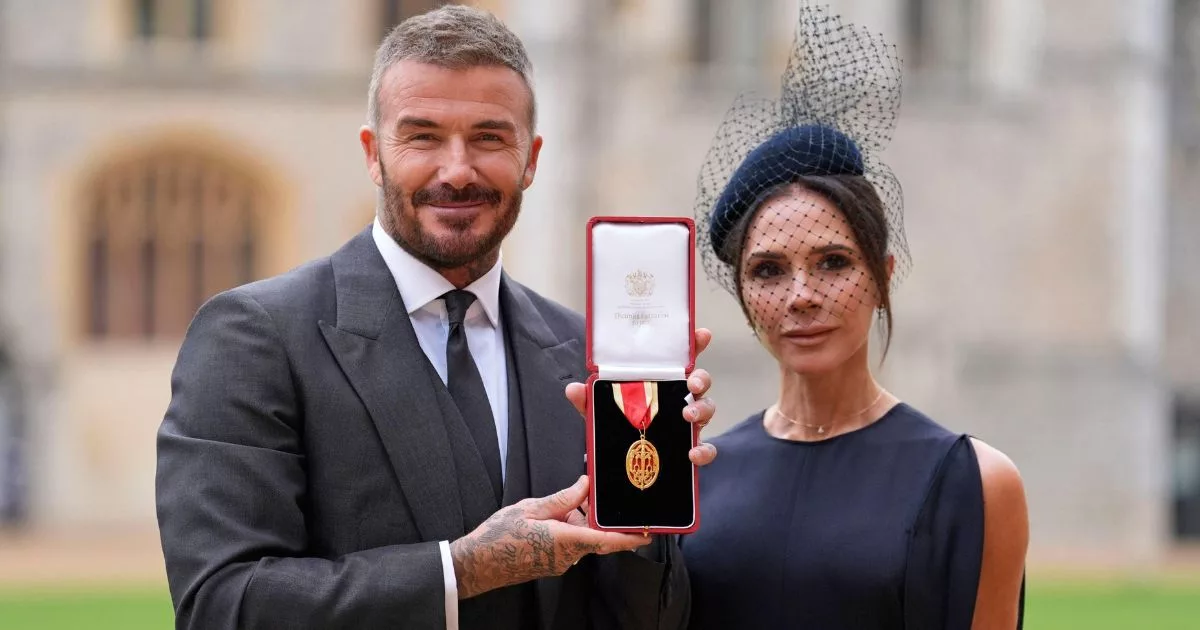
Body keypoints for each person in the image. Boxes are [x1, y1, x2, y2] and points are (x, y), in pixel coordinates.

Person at [154, 6, 718, 629]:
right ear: (373, 154)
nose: (457, 171)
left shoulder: (585, 353)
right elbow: (221, 605)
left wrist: (645, 508)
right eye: (422, 137)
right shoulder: (256, 337)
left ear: (531, 159)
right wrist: (461, 570)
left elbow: (648, 620)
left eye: (489, 138)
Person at [681, 5, 1028, 629]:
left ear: (882, 276)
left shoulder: (975, 481)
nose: (801, 295)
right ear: (742, 295)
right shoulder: (698, 476)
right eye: (768, 270)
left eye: (833, 262)